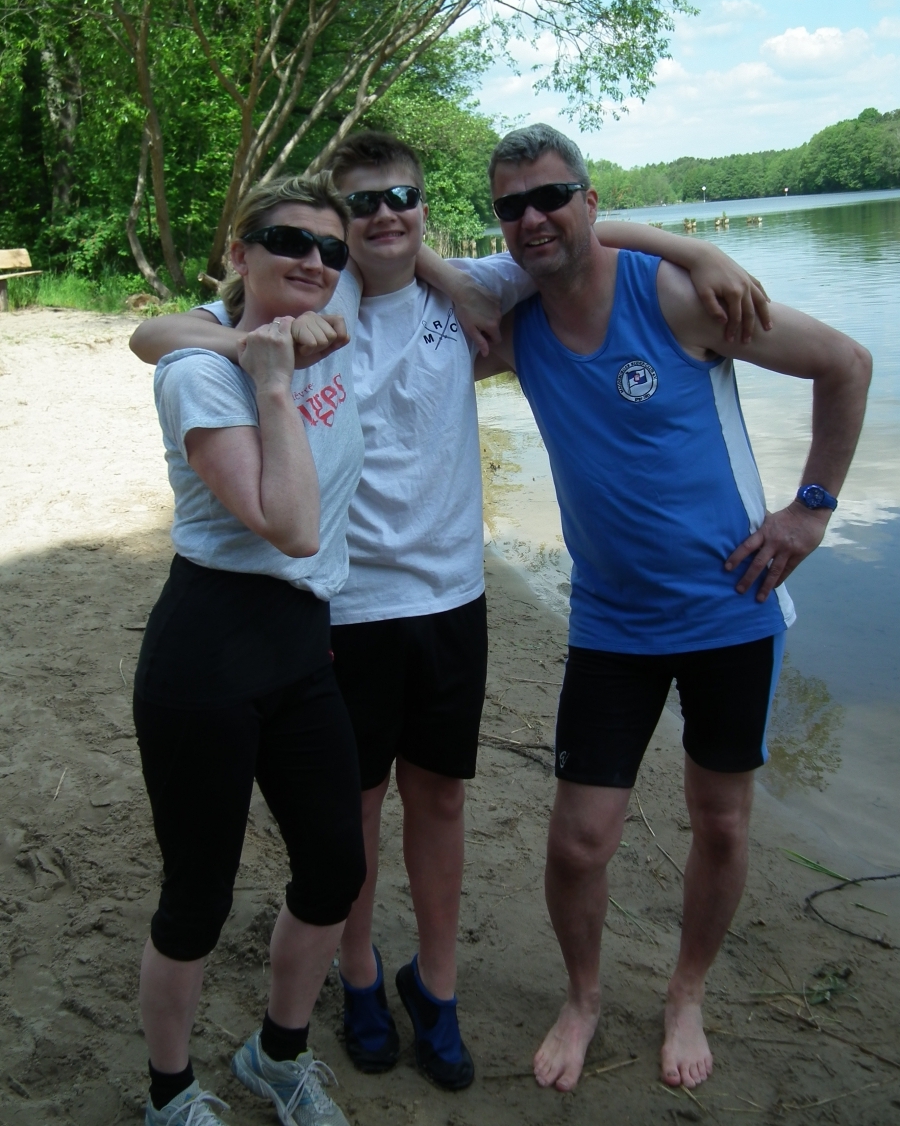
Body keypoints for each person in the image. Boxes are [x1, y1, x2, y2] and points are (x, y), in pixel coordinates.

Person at [130, 134, 772, 1094]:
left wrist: (697, 250)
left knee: (441, 800)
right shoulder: (319, 296)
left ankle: (435, 985)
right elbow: (155, 336)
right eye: (361, 205)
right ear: (335, 225)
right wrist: (250, 346)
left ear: (425, 208)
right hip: (346, 602)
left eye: (404, 197)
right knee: (352, 811)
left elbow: (578, 238)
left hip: (452, 599)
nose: (383, 216)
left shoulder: (475, 288)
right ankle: (356, 976)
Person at [479, 123, 872, 1095]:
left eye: (551, 196)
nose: (533, 217)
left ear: (590, 200)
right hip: (611, 624)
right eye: (511, 206)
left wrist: (811, 510)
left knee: (723, 823)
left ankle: (686, 992)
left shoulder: (680, 297)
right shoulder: (516, 328)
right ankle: (584, 998)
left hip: (732, 609)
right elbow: (401, 298)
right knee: (579, 841)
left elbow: (846, 363)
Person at [133, 172, 366, 1126]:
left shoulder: (331, 326)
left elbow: (142, 329)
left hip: (301, 647)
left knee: (335, 867)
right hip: (209, 654)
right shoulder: (202, 370)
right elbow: (292, 526)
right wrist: (267, 376)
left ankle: (278, 1054)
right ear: (239, 252)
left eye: (331, 250)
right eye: (289, 241)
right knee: (198, 893)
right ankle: (170, 1093)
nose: (314, 261)